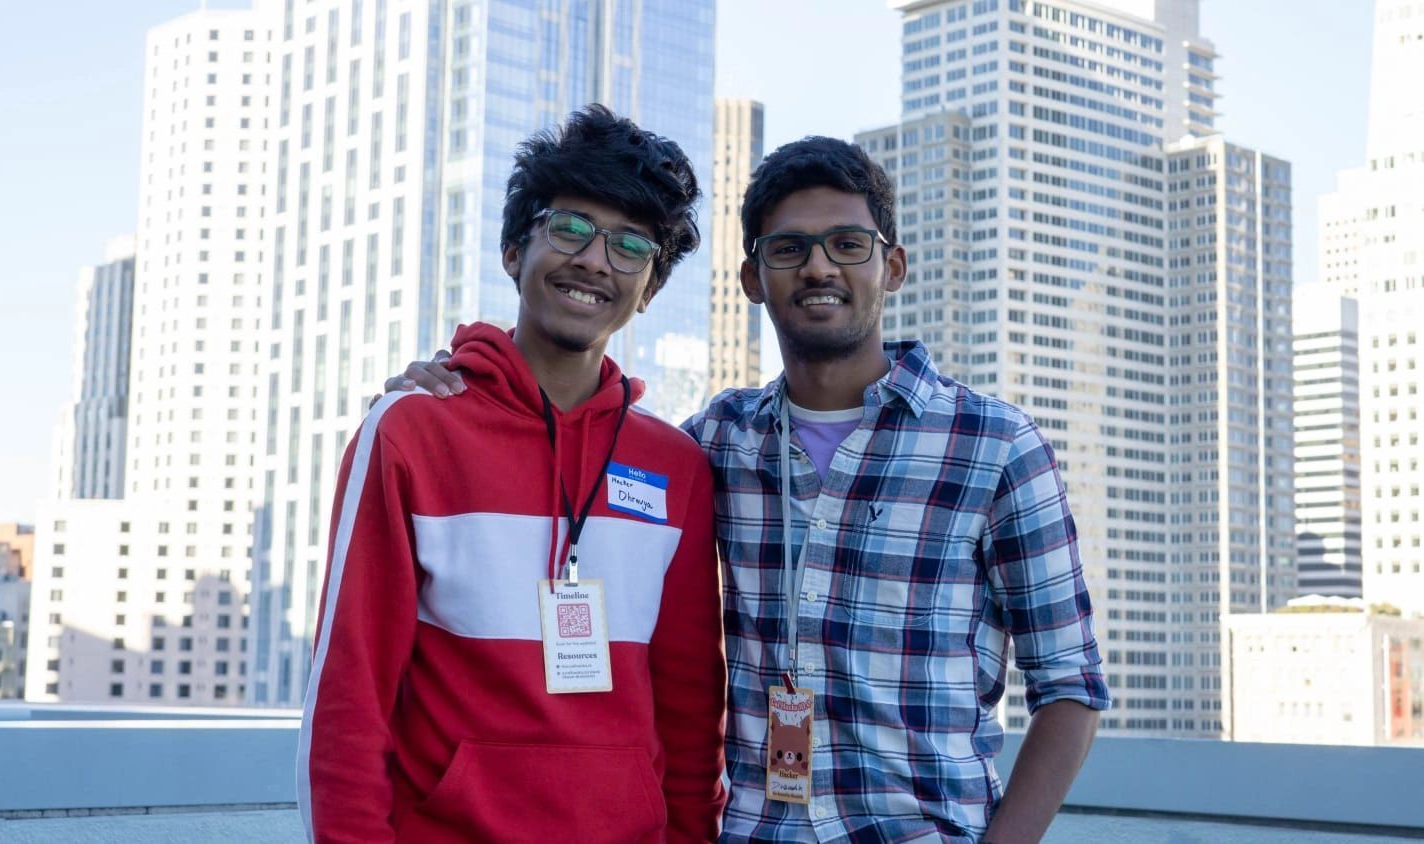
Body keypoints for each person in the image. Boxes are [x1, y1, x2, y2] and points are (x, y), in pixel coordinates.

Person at [389, 136, 1109, 843]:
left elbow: (1070, 686)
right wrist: (460, 379)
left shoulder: (996, 447)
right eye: (789, 249)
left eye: (847, 245)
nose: (819, 266)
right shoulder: (713, 445)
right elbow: (559, 434)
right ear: (752, 279)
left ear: (891, 266)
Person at [301, 105, 727, 844]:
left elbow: (691, 714)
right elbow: (349, 698)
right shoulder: (412, 431)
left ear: (650, 289)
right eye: (570, 229)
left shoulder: (677, 467)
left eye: (631, 247)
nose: (596, 260)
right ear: (511, 249)